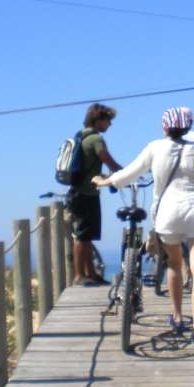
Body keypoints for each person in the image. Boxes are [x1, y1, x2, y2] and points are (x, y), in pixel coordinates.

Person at [94, 107, 194, 348]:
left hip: (168, 214)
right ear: (187, 126)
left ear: (165, 127)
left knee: (175, 264)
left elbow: (129, 174)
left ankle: (176, 317)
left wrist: (105, 181)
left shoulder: (155, 147)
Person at [70, 103, 123, 286]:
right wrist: (127, 174)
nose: (110, 124)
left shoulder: (81, 137)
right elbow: (109, 161)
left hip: (78, 193)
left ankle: (90, 273)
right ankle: (79, 275)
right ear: (99, 120)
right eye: (108, 121)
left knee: (86, 236)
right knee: (82, 236)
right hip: (86, 193)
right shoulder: (96, 140)